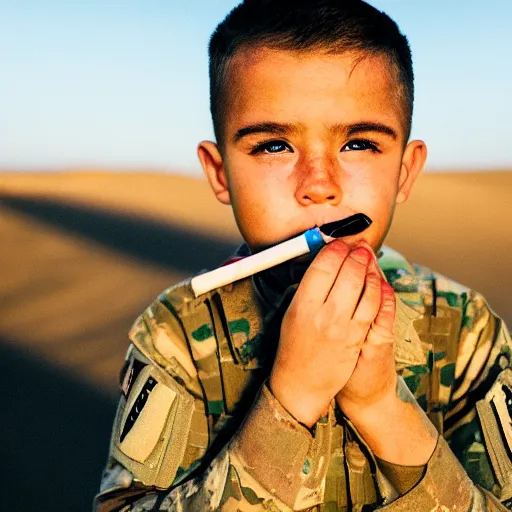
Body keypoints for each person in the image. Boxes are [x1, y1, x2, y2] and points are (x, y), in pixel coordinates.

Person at [95, 1, 512, 510]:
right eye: (274, 146)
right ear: (220, 172)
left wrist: (382, 407)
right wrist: (290, 398)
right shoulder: (176, 332)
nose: (319, 186)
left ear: (405, 170)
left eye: (358, 144)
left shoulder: (464, 329)